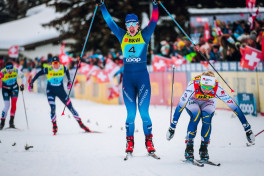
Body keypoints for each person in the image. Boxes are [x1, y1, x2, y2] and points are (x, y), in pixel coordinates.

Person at [97, 0, 159, 154]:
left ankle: (149, 142)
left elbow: (154, 20)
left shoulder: (145, 34)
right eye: (128, 24)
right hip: (128, 81)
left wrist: (156, 5)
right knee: (131, 114)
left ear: (138, 25)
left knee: (144, 113)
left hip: (143, 79)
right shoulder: (122, 35)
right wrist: (102, 5)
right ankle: (129, 142)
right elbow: (110, 22)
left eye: (134, 24)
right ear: (126, 26)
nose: (131, 27)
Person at [166, 71, 255, 161]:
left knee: (206, 118)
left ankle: (204, 149)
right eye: (204, 87)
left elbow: (234, 107)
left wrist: (247, 129)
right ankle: (189, 147)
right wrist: (172, 127)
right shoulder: (193, 86)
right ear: (200, 84)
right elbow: (180, 107)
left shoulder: (217, 88)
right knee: (196, 115)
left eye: (209, 88)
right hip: (193, 101)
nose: (206, 91)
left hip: (208, 102)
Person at [29, 56, 91, 135]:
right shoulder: (48, 69)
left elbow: (67, 72)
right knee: (53, 108)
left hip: (60, 91)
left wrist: (69, 81)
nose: (55, 65)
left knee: (70, 107)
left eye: (56, 63)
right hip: (50, 91)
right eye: (53, 63)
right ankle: (54, 126)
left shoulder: (63, 68)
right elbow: (38, 74)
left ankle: (81, 124)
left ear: (59, 63)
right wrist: (32, 82)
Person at [0, 61, 26, 129]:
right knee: (7, 105)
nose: (10, 71)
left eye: (11, 69)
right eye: (8, 70)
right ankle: (2, 122)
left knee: (14, 103)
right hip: (5, 89)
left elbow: (23, 77)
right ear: (6, 69)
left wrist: (22, 85)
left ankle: (11, 122)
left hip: (14, 88)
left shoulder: (16, 70)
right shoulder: (2, 72)